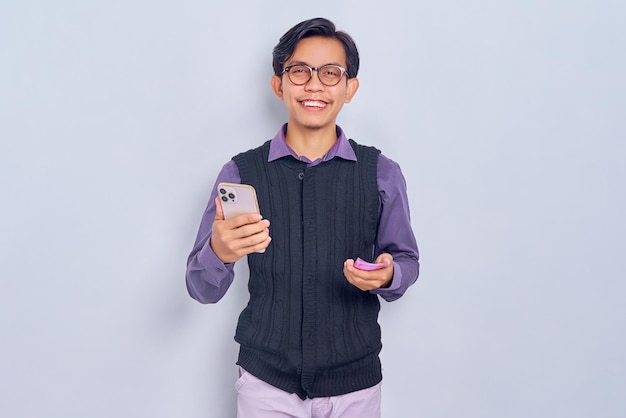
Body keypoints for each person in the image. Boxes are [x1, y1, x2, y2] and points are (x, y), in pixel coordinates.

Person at [186, 17, 420, 418]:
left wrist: (388, 274)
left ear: (350, 89)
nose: (314, 85)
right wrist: (219, 251)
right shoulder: (239, 174)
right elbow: (201, 287)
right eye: (299, 71)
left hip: (355, 384)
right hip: (266, 383)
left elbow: (405, 262)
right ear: (279, 84)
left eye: (331, 74)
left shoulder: (381, 172)